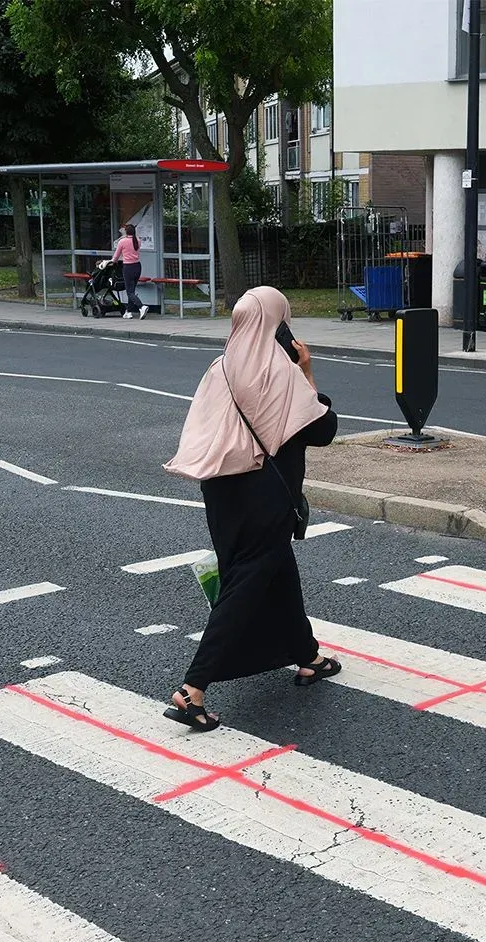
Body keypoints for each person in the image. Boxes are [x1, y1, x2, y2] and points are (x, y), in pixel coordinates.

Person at [162, 286, 341, 731]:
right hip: (267, 495)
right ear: (276, 322)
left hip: (221, 492)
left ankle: (308, 656)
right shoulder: (280, 372)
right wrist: (307, 371)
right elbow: (323, 430)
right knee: (243, 584)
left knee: (276, 569)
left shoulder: (219, 369)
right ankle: (192, 690)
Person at [112, 223, 143, 318]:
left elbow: (116, 256)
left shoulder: (122, 241)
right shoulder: (137, 240)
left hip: (128, 267)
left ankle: (141, 307)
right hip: (137, 266)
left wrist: (112, 261)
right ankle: (128, 312)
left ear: (126, 232)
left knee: (129, 292)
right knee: (132, 290)